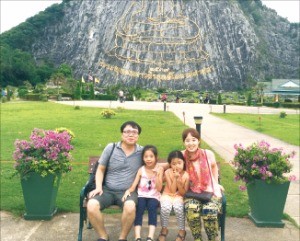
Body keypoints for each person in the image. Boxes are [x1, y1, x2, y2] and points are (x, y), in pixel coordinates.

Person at [87, 121, 143, 241]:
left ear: (138, 136)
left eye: (134, 132)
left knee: (130, 206)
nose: (131, 135)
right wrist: (98, 187)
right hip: (107, 190)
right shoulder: (111, 148)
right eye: (127, 132)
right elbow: (101, 169)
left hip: (128, 192)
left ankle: (122, 238)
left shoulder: (142, 152)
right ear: (122, 134)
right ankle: (103, 236)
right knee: (91, 205)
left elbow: (154, 166)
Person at [181, 128, 223, 241]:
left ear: (198, 141)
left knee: (209, 211)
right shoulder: (181, 156)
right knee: (191, 209)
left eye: (193, 140)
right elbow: (171, 164)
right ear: (183, 142)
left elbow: (214, 167)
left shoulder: (207, 154)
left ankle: (212, 239)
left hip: (210, 190)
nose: (191, 143)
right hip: (191, 192)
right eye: (187, 140)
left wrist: (215, 182)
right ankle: (197, 238)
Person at [122, 145, 164, 241]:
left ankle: (150, 237)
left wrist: (157, 175)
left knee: (152, 209)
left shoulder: (159, 169)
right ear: (143, 158)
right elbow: (133, 186)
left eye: (151, 156)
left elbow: (159, 188)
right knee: (139, 209)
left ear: (156, 157)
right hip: (141, 195)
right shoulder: (141, 170)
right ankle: (137, 237)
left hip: (154, 196)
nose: (148, 159)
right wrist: (128, 191)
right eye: (146, 156)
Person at [157, 150, 189, 241]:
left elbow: (183, 193)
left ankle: (182, 231)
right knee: (165, 209)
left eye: (179, 163)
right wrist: (175, 178)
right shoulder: (168, 172)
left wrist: (179, 180)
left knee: (179, 209)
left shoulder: (186, 175)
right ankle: (164, 229)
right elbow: (172, 190)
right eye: (173, 163)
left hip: (179, 196)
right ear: (170, 164)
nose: (176, 166)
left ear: (183, 163)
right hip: (167, 194)